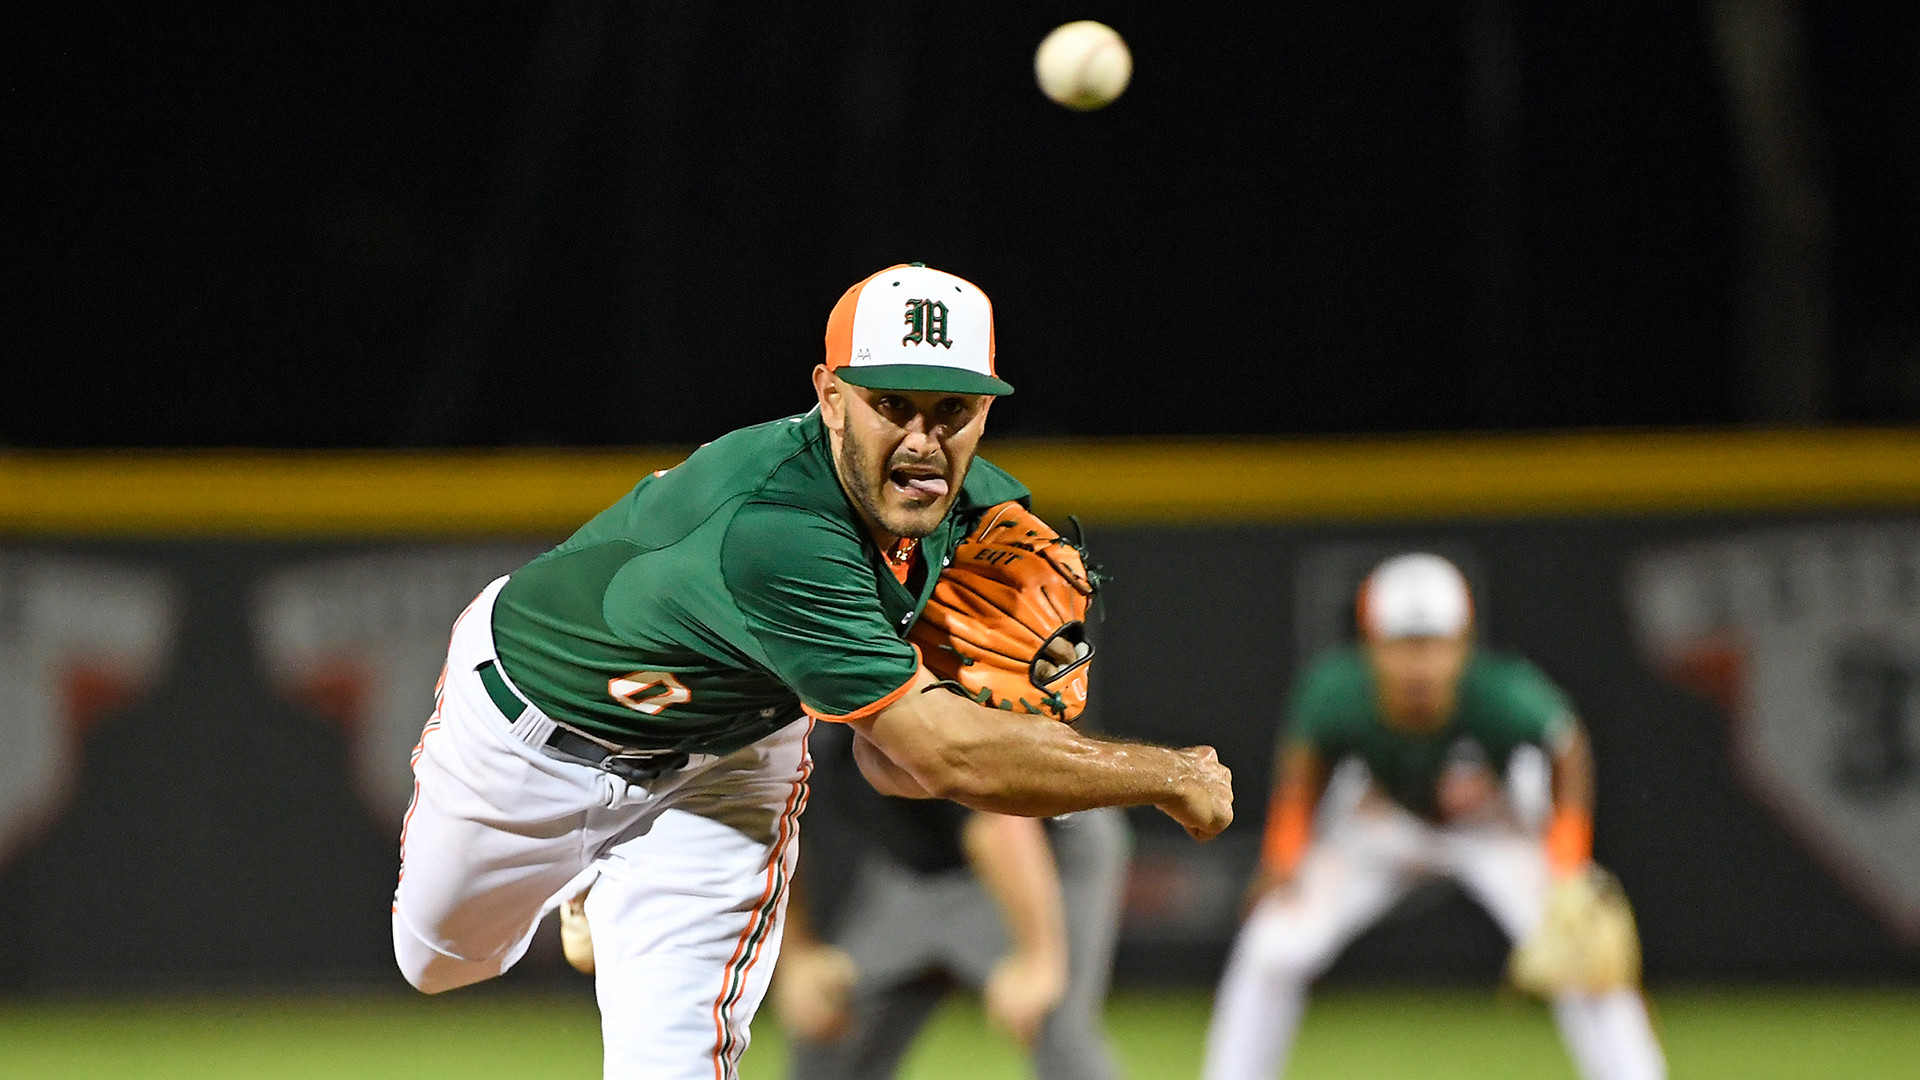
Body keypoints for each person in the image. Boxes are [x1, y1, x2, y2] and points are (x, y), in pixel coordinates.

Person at [389, 263, 1233, 1080]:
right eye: (890, 404)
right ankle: (588, 878)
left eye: (954, 409)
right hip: (530, 727)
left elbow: (891, 762)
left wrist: (1018, 692)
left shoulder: (981, 514)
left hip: (727, 763)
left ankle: (628, 882)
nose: (923, 439)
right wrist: (1167, 774)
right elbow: (950, 755)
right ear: (830, 397)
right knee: (437, 963)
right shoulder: (780, 529)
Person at [1201, 553, 1665, 1080]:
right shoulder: (1337, 691)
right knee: (1273, 942)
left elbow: (1568, 749)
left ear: (1463, 643)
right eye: (1403, 644)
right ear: (1371, 644)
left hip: (1492, 825)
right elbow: (1306, 768)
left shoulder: (1501, 691)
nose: (1420, 664)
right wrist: (1284, 857)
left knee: (1579, 944)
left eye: (1435, 644)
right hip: (1383, 821)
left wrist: (1566, 864)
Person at [771, 721, 1130, 1080]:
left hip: (1043, 853)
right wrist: (798, 956)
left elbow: (997, 825)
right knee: (828, 1013)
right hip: (915, 873)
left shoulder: (903, 705)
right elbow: (779, 837)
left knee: (1052, 1023)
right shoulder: (802, 727)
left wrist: (1036, 960)